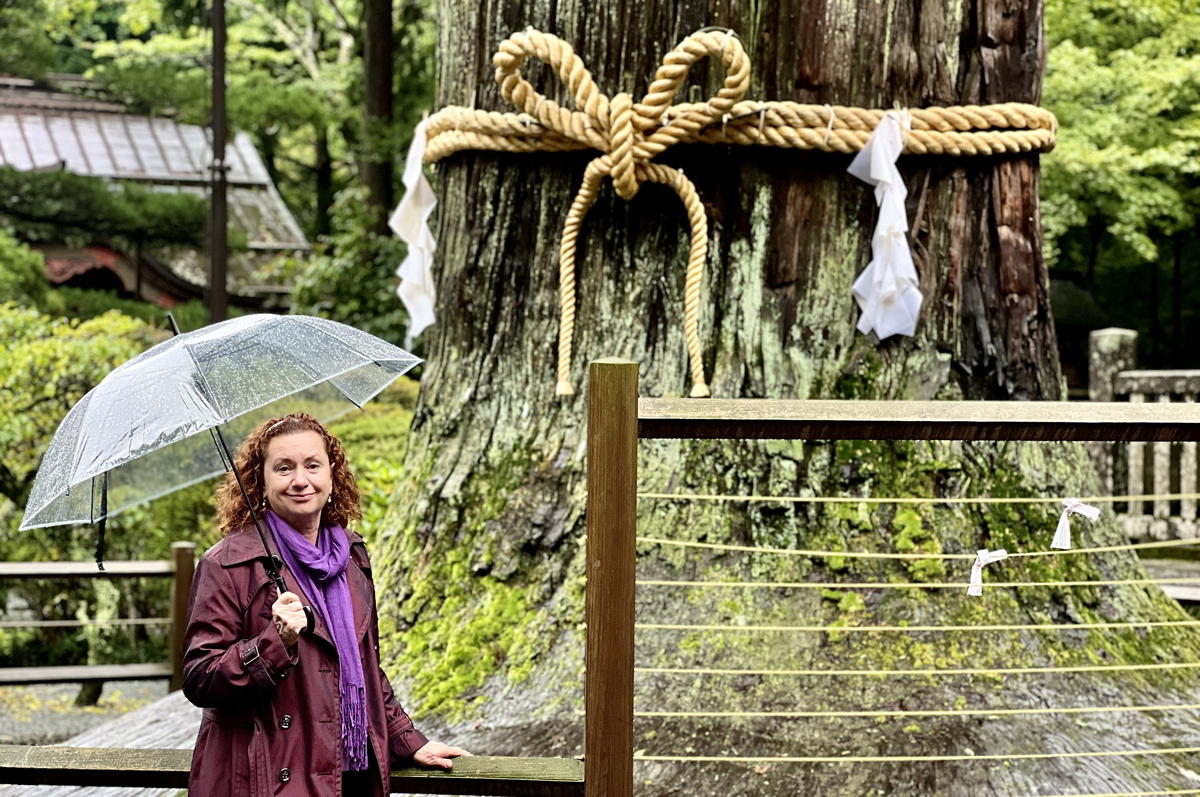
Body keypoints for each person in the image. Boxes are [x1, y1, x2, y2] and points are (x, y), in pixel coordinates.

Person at [182, 412, 469, 796]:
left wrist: (407, 739)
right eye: (284, 468)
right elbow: (200, 678)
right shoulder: (227, 563)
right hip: (266, 779)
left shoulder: (352, 555)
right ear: (260, 481)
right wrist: (273, 643)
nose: (300, 480)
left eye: (312, 465)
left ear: (331, 475)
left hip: (348, 773)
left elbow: (366, 668)